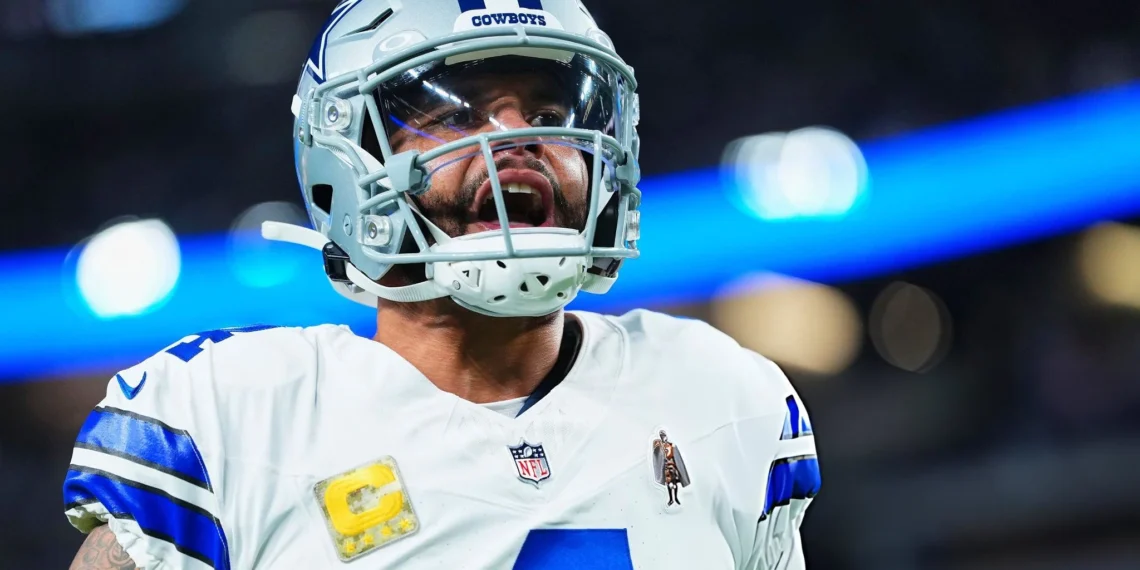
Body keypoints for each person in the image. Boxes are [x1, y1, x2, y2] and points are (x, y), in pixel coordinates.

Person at [64, 1, 821, 568]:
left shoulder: (723, 397)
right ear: (346, 160)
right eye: (456, 114)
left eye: (551, 111)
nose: (519, 138)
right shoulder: (229, 419)